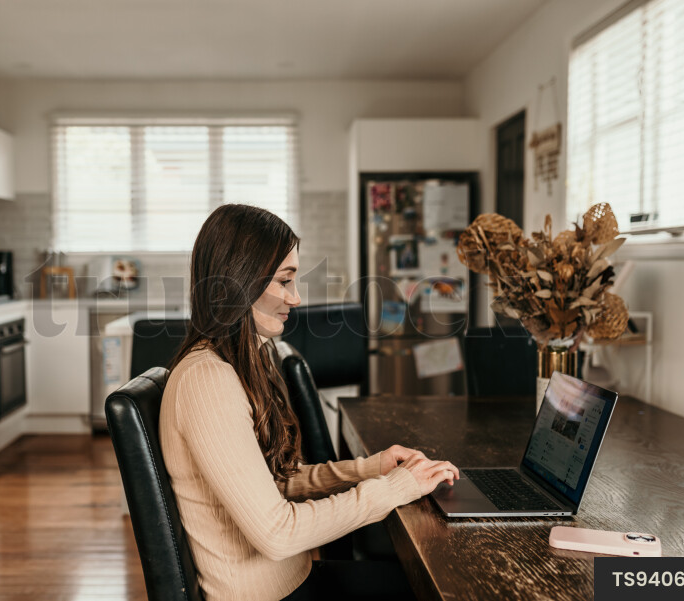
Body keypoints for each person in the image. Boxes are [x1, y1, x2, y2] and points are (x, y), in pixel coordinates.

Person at [160, 204, 459, 601]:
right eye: (285, 281)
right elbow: (278, 534)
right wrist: (397, 488)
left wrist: (371, 469)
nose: (296, 298)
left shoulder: (234, 365)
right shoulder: (207, 381)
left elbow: (274, 484)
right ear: (239, 281)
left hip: (292, 584)